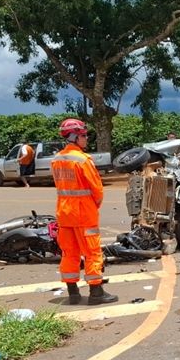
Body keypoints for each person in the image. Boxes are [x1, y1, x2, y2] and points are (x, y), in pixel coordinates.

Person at [51, 119, 117, 306]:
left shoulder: (56, 160)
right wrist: (93, 206)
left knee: (69, 252)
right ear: (74, 137)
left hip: (64, 213)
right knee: (92, 252)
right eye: (84, 135)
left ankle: (73, 293)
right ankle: (96, 292)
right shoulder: (83, 160)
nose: (86, 139)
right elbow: (97, 189)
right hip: (83, 214)